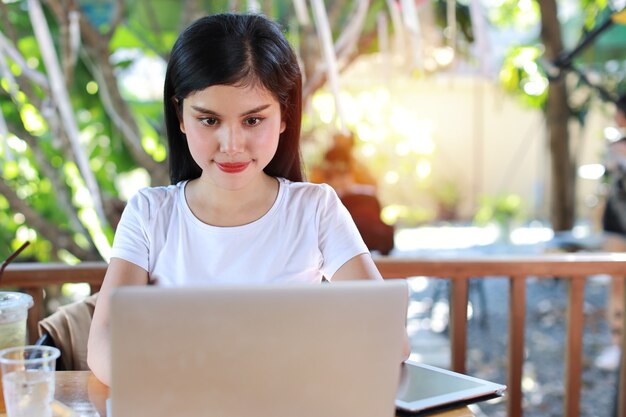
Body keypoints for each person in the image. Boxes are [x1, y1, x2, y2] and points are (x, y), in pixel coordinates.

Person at [87, 13, 408, 385]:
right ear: (179, 115)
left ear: (285, 115)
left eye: (253, 121)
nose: (232, 145)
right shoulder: (149, 214)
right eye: (209, 120)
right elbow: (103, 344)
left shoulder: (315, 209)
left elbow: (391, 339)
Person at [596, 94, 626, 371]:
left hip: (616, 227)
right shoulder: (615, 147)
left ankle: (617, 346)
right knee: (617, 286)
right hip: (617, 227)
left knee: (617, 287)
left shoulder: (616, 148)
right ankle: (617, 345)